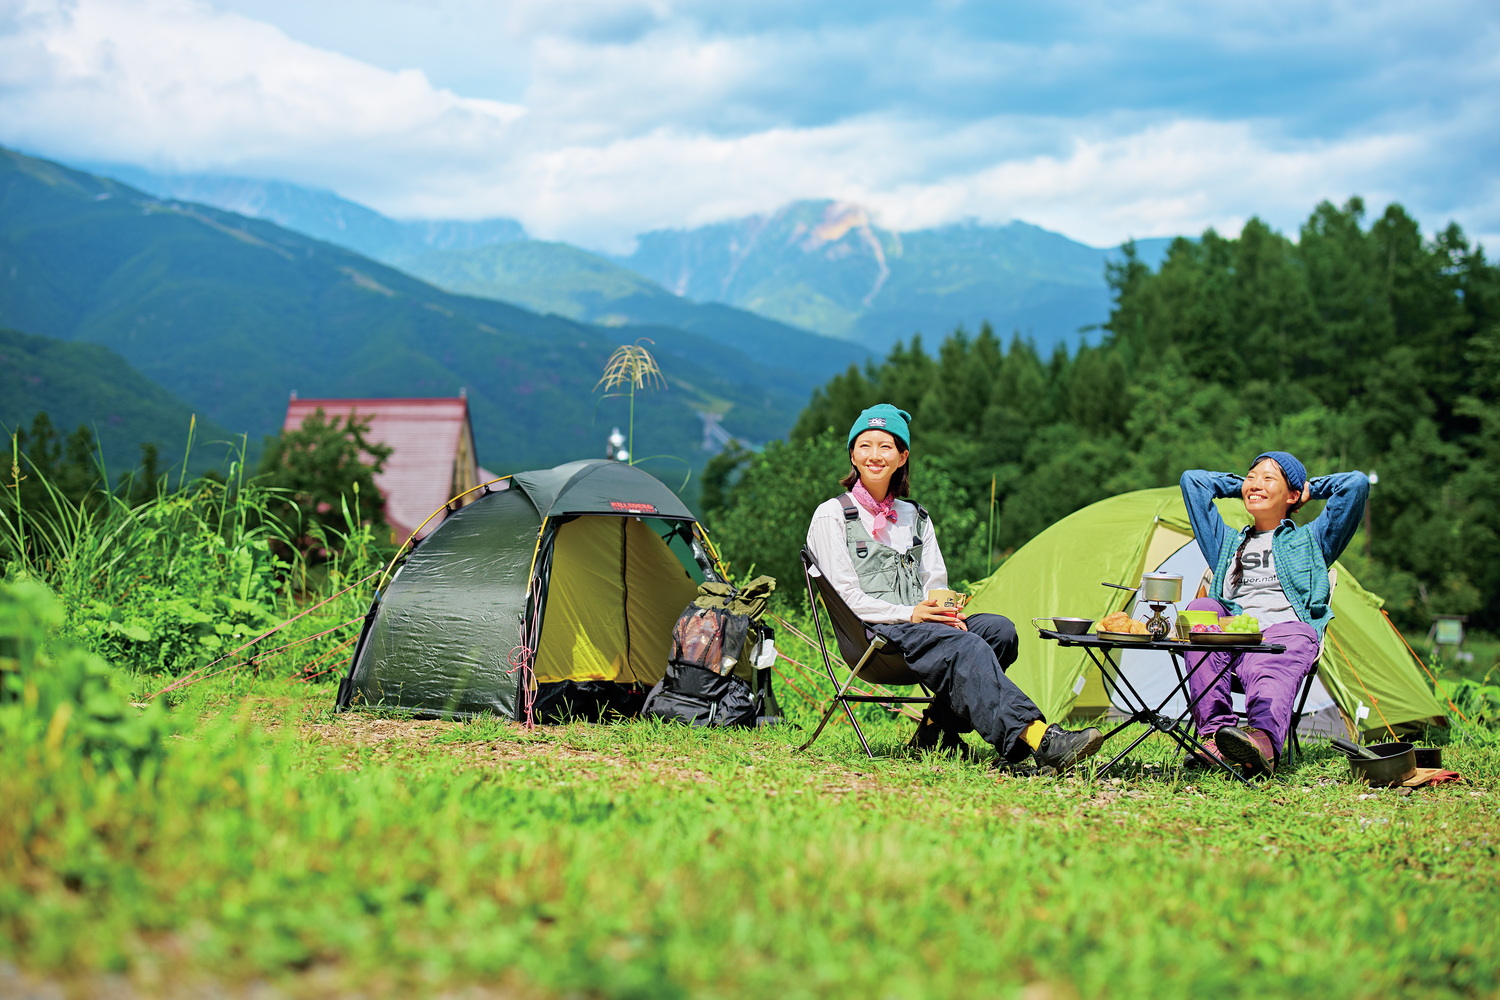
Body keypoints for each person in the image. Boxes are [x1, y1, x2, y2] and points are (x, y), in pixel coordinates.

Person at [805, 403, 1106, 773]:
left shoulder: (917, 516)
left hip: (921, 631)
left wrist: (945, 613)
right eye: (865, 445)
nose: (874, 455)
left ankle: (933, 731)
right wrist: (911, 614)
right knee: (963, 645)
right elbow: (846, 599)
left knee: (999, 630)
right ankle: (1038, 738)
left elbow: (935, 583)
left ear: (902, 457)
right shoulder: (832, 515)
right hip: (873, 638)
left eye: (886, 446)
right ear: (852, 454)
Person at [1179, 453, 1369, 777]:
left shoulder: (1313, 540)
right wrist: (1248, 486)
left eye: (1269, 479)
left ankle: (1261, 744)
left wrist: (1308, 489)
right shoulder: (1226, 542)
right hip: (1234, 632)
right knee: (1200, 610)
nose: (1256, 483)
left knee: (1282, 649)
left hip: (1284, 632)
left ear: (1292, 495)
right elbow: (1192, 482)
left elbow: (1356, 485)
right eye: (1252, 476)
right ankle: (1215, 736)